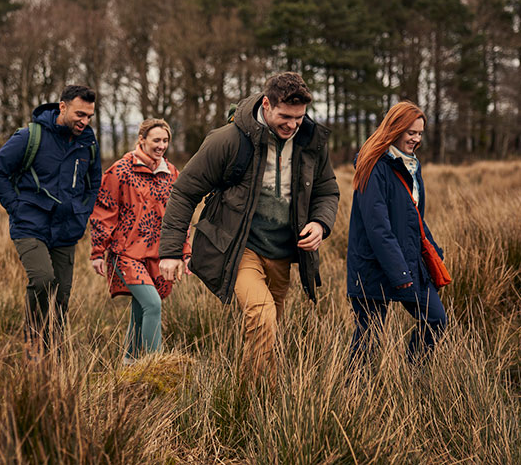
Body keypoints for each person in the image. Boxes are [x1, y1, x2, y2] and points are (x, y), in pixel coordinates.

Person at [159, 72, 340, 378]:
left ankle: (257, 396)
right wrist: (171, 251)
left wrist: (321, 224)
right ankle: (251, 402)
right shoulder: (227, 140)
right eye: (285, 116)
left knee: (269, 329)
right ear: (266, 104)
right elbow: (184, 191)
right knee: (262, 315)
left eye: (299, 117)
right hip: (240, 246)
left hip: (283, 251)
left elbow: (327, 190)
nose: (292, 125)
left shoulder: (311, 142)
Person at [0, 85, 101, 354]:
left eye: (89, 117)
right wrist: (16, 207)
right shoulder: (30, 136)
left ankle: (55, 355)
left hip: (67, 228)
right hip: (29, 226)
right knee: (42, 279)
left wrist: (82, 212)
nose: (84, 121)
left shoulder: (88, 143)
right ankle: (34, 345)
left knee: (61, 297)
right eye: (79, 114)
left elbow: (93, 182)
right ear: (62, 107)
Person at [346, 101, 447, 364]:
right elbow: (378, 228)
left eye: (420, 134)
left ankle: (412, 374)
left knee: (435, 318)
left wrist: (433, 252)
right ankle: (353, 395)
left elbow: (413, 216)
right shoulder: (373, 166)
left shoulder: (411, 165)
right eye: (411, 132)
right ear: (395, 128)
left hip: (407, 263)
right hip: (373, 267)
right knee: (369, 337)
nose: (416, 139)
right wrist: (400, 272)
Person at [89, 119, 190, 363]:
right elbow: (105, 211)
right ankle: (157, 368)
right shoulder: (120, 171)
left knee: (140, 310)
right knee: (152, 305)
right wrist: (97, 251)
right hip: (126, 254)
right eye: (156, 140)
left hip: (158, 255)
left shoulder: (171, 173)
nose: (161, 146)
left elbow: (179, 217)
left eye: (165, 140)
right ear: (142, 139)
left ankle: (128, 364)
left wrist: (184, 252)